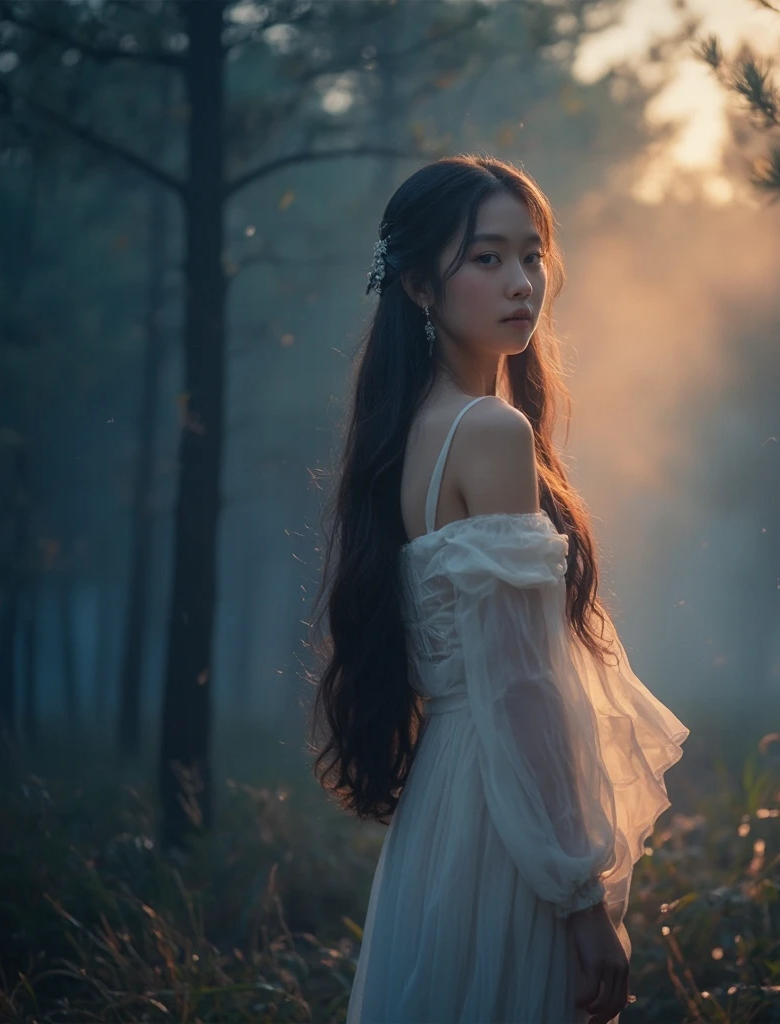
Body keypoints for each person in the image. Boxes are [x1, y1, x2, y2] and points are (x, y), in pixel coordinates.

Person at [308, 154, 689, 1024]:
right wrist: (582, 902)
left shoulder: (407, 429)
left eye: (532, 255)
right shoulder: (489, 431)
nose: (521, 282)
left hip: (448, 808)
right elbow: (524, 690)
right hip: (501, 812)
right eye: (485, 259)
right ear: (416, 285)